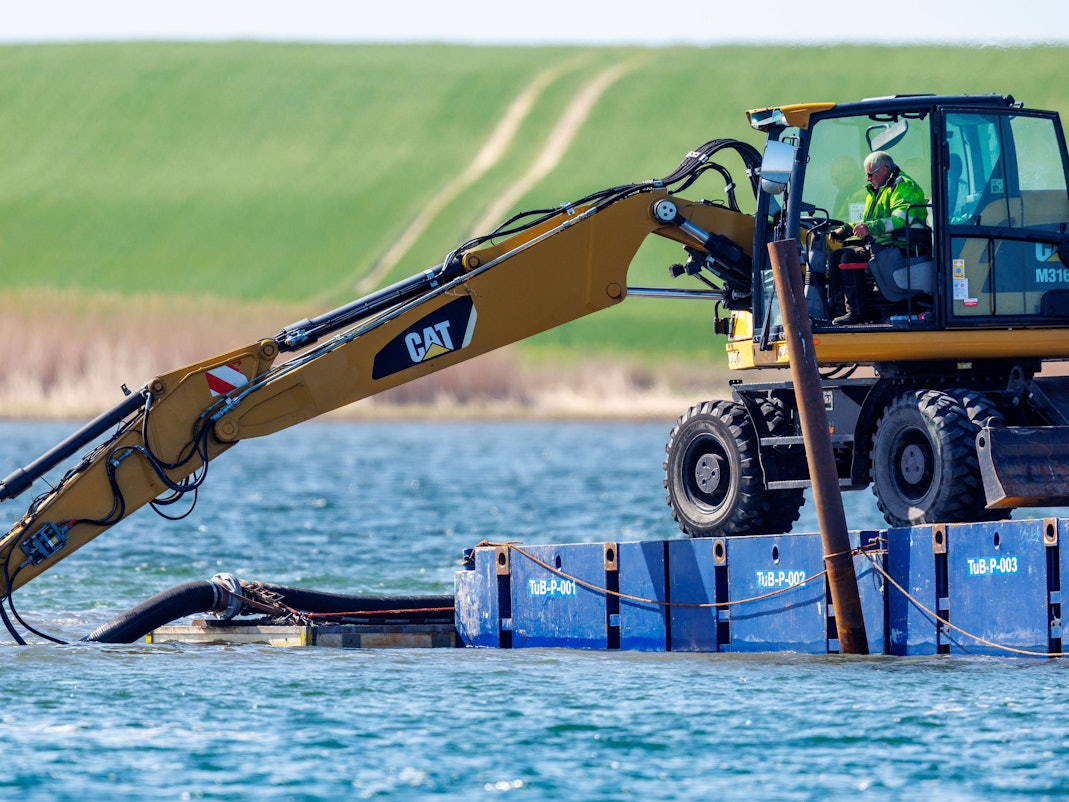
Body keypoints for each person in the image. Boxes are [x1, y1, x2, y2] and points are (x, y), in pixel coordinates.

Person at [826, 151, 927, 325]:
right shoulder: (878, 191)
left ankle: (858, 313)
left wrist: (870, 228)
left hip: (901, 247)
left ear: (884, 169)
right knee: (836, 256)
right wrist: (846, 229)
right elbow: (868, 222)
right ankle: (840, 311)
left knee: (848, 257)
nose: (867, 178)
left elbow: (901, 219)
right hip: (881, 246)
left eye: (870, 173)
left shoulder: (904, 186)